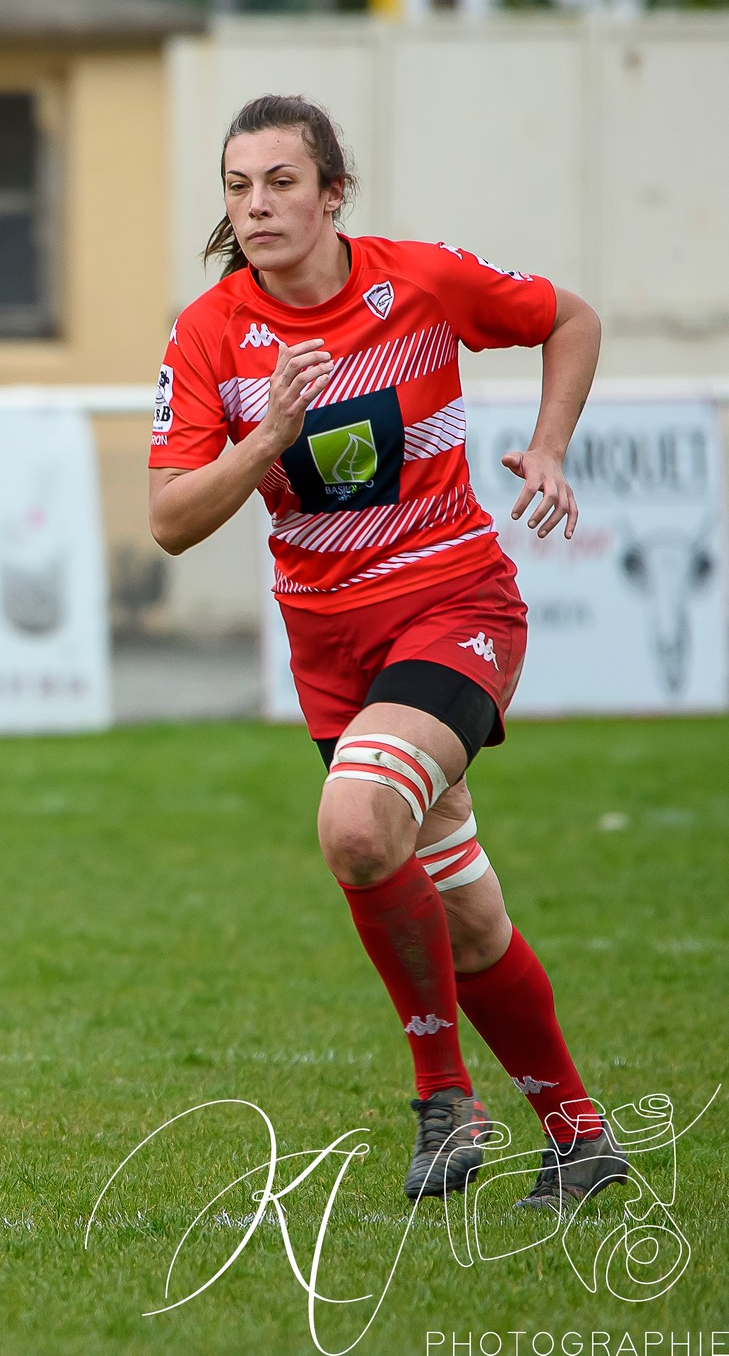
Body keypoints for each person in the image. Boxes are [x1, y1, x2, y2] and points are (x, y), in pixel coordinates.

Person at [149, 95, 626, 1208]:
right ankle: (578, 1134)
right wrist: (261, 437)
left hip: (454, 606)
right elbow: (170, 519)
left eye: (278, 181)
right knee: (458, 905)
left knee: (358, 822)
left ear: (331, 192)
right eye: (236, 186)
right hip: (330, 655)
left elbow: (571, 317)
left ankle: (442, 1101)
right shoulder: (209, 334)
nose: (256, 204)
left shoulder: (416, 283)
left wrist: (547, 447)